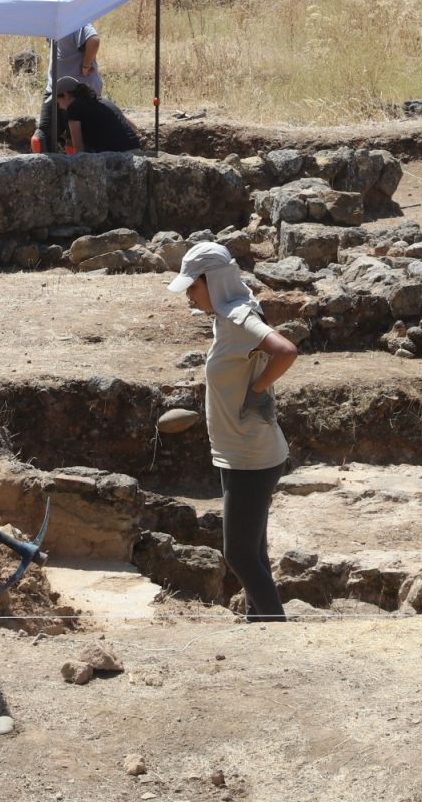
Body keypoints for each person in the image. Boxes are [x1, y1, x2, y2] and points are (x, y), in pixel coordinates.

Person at [167, 241, 299, 621]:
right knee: (253, 551)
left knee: (238, 555)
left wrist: (258, 392)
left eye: (193, 287)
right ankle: (260, 624)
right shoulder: (226, 316)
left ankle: (275, 631)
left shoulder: (241, 319)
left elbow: (286, 351)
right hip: (240, 451)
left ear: (214, 281)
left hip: (250, 455)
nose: (189, 296)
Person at [33, 23, 102, 151]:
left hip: (80, 92)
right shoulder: (53, 25)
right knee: (41, 139)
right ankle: (44, 169)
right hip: (54, 89)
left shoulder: (76, 21)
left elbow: (94, 40)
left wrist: (85, 66)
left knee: (76, 143)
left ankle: (75, 169)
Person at [55, 76, 142, 154]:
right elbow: (133, 127)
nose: (59, 107)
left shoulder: (73, 108)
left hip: (116, 157)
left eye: (58, 102)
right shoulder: (103, 101)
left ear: (66, 95)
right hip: (135, 149)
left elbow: (79, 149)